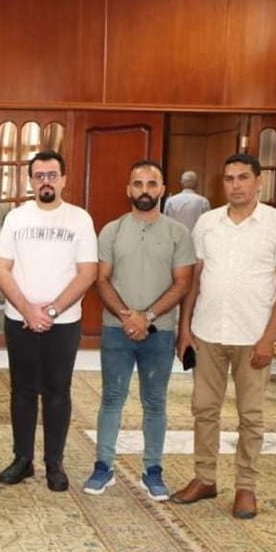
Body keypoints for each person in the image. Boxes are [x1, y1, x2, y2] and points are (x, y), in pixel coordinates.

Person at [171, 153, 276, 519]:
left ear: (259, 181)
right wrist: (184, 329)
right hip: (208, 332)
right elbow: (194, 281)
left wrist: (270, 338)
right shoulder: (207, 223)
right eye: (229, 179)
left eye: (243, 177)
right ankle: (204, 478)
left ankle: (246, 487)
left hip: (253, 335)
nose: (236, 185)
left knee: (251, 416)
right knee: (204, 410)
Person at [83, 160, 195, 500]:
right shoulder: (112, 230)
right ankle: (103, 466)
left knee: (155, 402)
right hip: (116, 330)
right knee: (111, 399)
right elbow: (101, 279)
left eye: (151, 184)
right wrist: (127, 317)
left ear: (162, 189)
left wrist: (146, 317)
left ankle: (153, 470)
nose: (144, 190)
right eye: (138, 184)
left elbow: (183, 282)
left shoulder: (178, 233)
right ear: (128, 189)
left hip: (159, 332)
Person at [0, 150, 97, 491]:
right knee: (22, 391)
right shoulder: (16, 218)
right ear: (31, 181)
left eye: (52, 175)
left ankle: (55, 463)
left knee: (57, 391)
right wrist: (27, 310)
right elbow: (0, 268)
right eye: (39, 176)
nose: (46, 182)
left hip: (63, 324)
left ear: (64, 179)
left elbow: (87, 273)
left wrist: (50, 312)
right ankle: (22, 459)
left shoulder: (79, 219)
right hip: (19, 320)